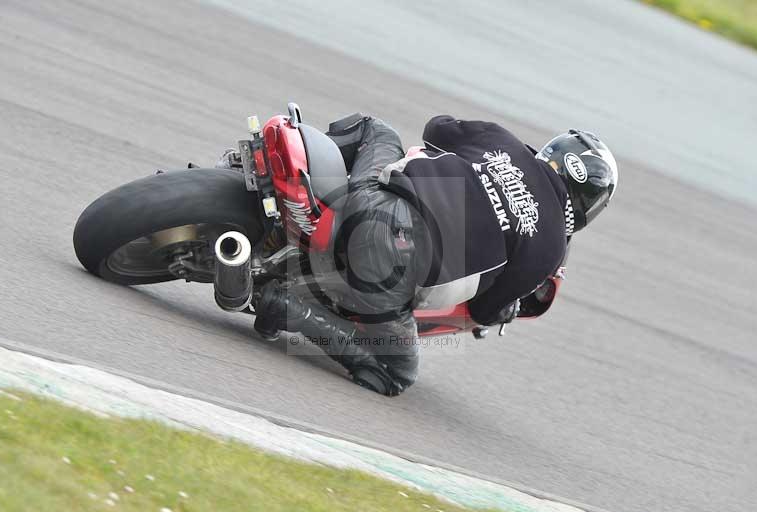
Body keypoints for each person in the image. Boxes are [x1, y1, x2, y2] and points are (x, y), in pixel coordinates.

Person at [252, 114, 619, 396]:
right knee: (397, 374)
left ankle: (302, 172)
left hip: (367, 203)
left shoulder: (501, 140)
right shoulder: (550, 249)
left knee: (375, 129)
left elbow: (436, 128)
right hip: (392, 274)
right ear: (588, 205)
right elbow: (483, 310)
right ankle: (287, 308)